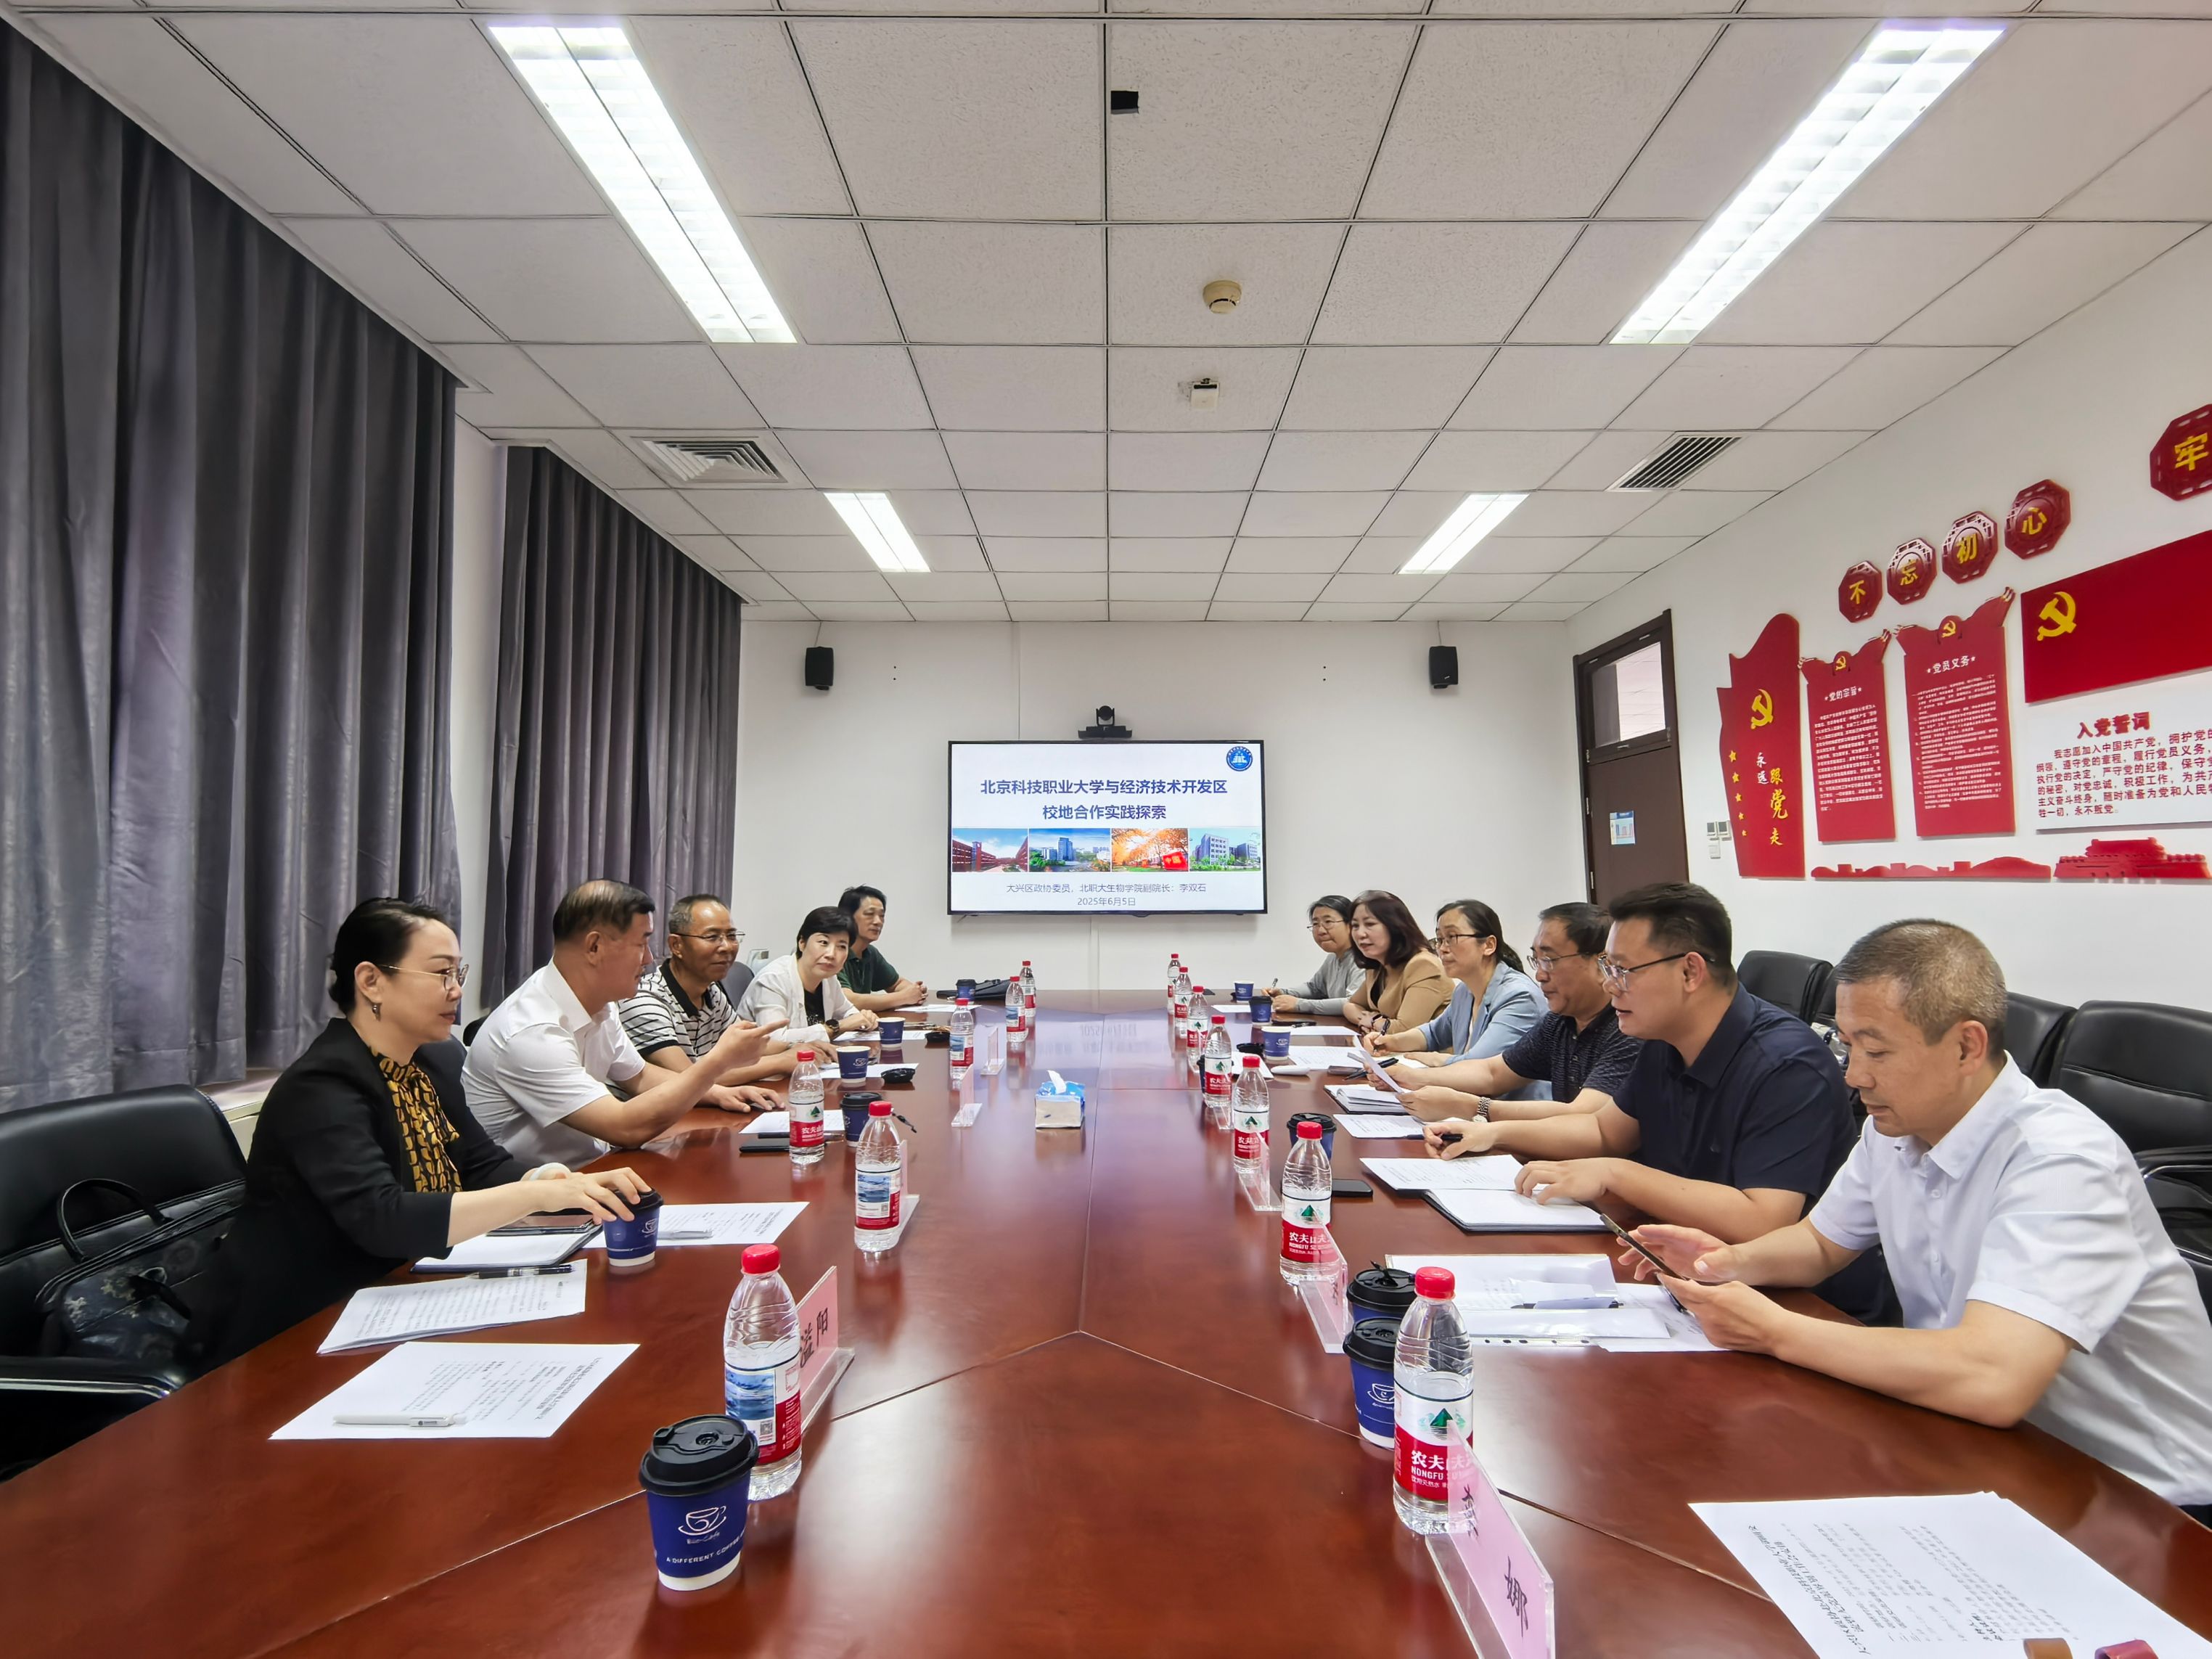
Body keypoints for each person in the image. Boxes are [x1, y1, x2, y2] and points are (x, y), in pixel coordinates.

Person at [1623, 919, 2212, 1517]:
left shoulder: (2061, 1161)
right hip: (1989, 1447)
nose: (1854, 1076)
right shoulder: (1897, 1126)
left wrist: (1774, 1331)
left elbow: (1994, 1377)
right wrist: (1725, 1262)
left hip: (2151, 1501)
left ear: (1966, 1047)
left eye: (1877, 1051)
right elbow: (1821, 1244)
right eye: (1847, 1045)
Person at [188, 898, 652, 1367]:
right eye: (440, 974)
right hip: (294, 1326)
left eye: (458, 973)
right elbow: (383, 1219)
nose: (456, 991)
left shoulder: (434, 1058)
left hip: (399, 1292)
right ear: (371, 981)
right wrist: (535, 1197)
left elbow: (480, 1164)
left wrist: (558, 1183)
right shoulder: (322, 1086)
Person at [1419, 882, 1883, 1320]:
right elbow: (1604, 1130)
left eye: (1623, 970)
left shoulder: (1786, 1063)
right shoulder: (1664, 1039)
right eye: (1608, 968)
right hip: (1688, 1273)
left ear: (1690, 971)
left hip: (1801, 1306)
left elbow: (1763, 1219)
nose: (1610, 985)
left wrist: (1615, 1173)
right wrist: (1491, 1131)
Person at [466, 880, 783, 1168]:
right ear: (594, 947)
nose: (649, 959)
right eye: (641, 944)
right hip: (540, 1196)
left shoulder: (601, 1005)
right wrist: (717, 1064)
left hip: (596, 1168)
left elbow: (640, 1076)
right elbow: (625, 1128)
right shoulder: (532, 1031)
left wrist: (715, 1092)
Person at [1401, 902, 1639, 1122]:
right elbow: (1492, 1072)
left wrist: (1472, 1108)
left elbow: (1585, 1116)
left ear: (1602, 963)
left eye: (1550, 959)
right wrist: (1412, 1077)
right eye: (1537, 960)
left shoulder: (1628, 1029)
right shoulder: (1560, 1022)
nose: (1540, 975)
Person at [620, 893, 791, 1108]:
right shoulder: (644, 999)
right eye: (712, 937)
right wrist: (781, 1062)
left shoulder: (711, 991)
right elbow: (688, 1078)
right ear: (676, 945)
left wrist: (800, 1049)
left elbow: (748, 1046)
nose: (727, 947)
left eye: (731, 936)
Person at [1364, 901, 1543, 1079]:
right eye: (1440, 939)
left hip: (1506, 1097)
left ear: (1488, 945)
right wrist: (1391, 1042)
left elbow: (1479, 1067)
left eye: (1452, 937)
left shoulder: (1519, 997)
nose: (1442, 949)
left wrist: (1433, 1060)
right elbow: (1434, 1033)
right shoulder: (1464, 991)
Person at [737, 906, 880, 1047]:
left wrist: (865, 1019)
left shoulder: (828, 978)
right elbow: (774, 1040)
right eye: (823, 943)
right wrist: (837, 1027)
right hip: (761, 1061)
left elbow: (848, 1012)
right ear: (802, 943)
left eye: (842, 946)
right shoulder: (773, 980)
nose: (831, 954)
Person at [1340, 890, 1451, 1036]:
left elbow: (1406, 1030)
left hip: (1426, 1050)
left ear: (1395, 927)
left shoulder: (1423, 965)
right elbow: (1350, 1006)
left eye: (1370, 924)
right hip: (1387, 1046)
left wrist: (1373, 1021)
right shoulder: (1377, 965)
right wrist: (1372, 1020)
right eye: (1355, 926)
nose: (1360, 934)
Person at [1263, 896, 1363, 1017]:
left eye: (1328, 922)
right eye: (1315, 924)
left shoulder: (1364, 960)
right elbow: (1315, 988)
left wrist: (1299, 1005)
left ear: (1351, 925)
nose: (1321, 931)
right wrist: (1282, 993)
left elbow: (1352, 1004)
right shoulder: (1332, 958)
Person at [836, 885, 927, 1012]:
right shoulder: (835, 953)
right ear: (848, 918)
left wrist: (915, 991)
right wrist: (904, 997)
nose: (878, 921)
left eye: (882, 916)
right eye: (870, 914)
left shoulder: (870, 952)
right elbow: (848, 1001)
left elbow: (897, 984)